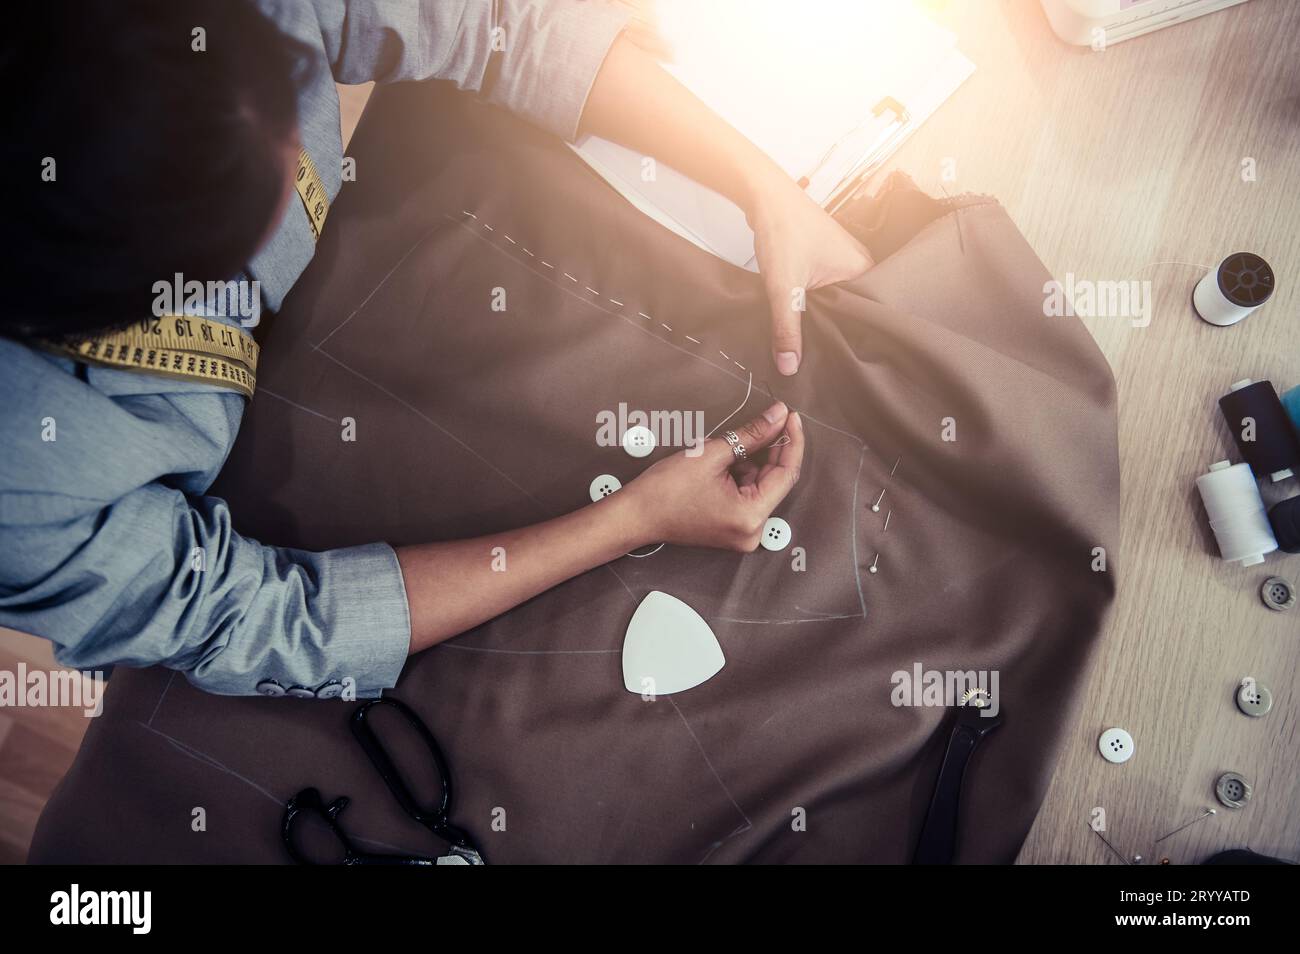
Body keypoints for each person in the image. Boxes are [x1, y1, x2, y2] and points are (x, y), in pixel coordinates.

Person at [0, 0, 870, 697]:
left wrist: (761, 187)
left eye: (285, 97)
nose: (297, 172)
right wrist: (631, 523)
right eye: (231, 224)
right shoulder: (23, 494)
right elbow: (258, 620)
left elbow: (484, 21)